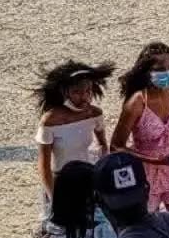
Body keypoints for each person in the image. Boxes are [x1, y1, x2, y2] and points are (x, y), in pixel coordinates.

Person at [111, 43, 169, 220]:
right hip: (145, 175)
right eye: (160, 69)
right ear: (147, 73)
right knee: (147, 229)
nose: (166, 72)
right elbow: (116, 146)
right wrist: (156, 160)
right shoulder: (137, 103)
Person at [36, 62, 112, 203]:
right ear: (65, 92)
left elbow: (104, 146)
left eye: (88, 91)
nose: (84, 97)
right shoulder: (50, 121)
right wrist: (53, 197)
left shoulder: (94, 114)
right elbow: (44, 165)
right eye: (77, 92)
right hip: (61, 181)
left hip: (89, 178)